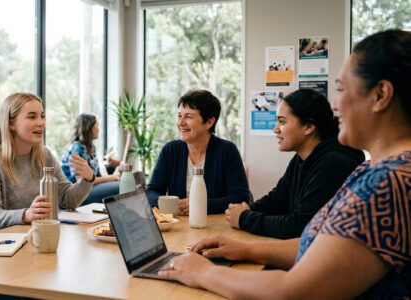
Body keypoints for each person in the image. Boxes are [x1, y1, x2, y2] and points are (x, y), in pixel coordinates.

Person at [159, 29, 411, 298]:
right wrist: (244, 249)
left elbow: (293, 292)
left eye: (341, 90)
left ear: (381, 94)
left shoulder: (387, 183)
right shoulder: (378, 170)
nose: (335, 106)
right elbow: (317, 246)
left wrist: (202, 272)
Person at [225, 89, 364, 239]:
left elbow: (298, 227)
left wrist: (244, 218)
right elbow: (276, 200)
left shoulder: (333, 165)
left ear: (309, 127)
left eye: (282, 121)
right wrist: (244, 210)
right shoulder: (301, 158)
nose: (275, 129)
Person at [0, 93, 94, 232]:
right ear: (11, 123)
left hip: (30, 236)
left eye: (42, 116)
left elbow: (69, 200)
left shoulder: (44, 155)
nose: (41, 123)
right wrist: (26, 215)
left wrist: (87, 179)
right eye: (32, 117)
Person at [146, 90, 250, 215]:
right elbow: (152, 191)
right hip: (178, 225)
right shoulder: (170, 150)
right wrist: (167, 205)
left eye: (188, 116)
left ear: (209, 122)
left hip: (215, 225)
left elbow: (240, 197)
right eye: (179, 116)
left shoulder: (227, 151)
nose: (180, 123)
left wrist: (200, 205)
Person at [61, 114, 120, 205]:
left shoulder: (90, 148)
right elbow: (80, 180)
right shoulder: (77, 148)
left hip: (89, 188)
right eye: (97, 126)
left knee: (120, 183)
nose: (99, 129)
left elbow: (96, 175)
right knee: (120, 186)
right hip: (77, 193)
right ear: (89, 128)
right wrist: (111, 178)